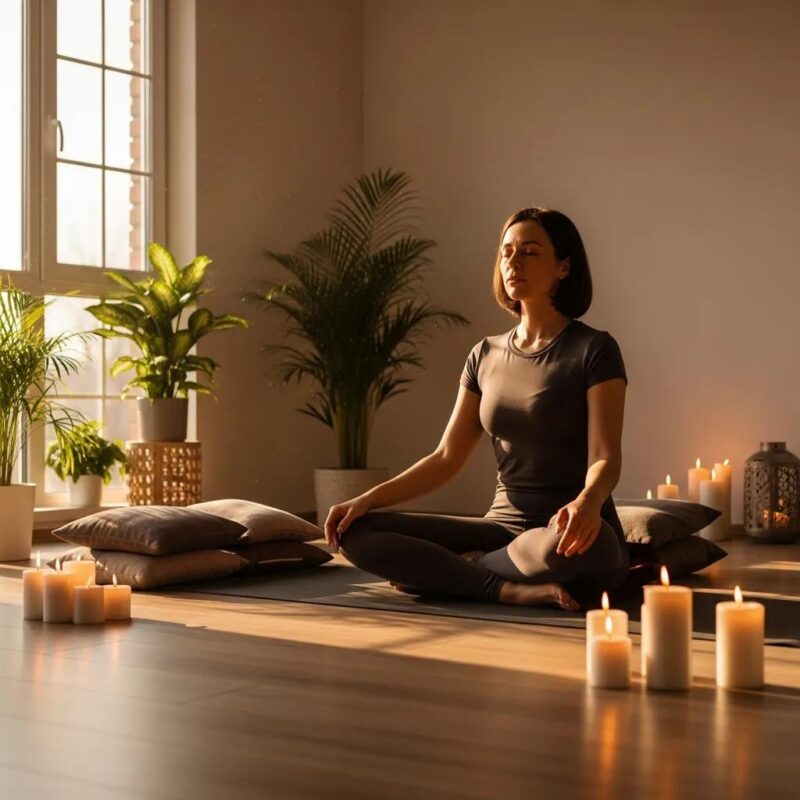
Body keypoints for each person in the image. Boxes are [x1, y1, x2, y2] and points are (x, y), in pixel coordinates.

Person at [324, 207, 629, 611]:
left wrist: (587, 502)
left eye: (530, 252)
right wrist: (367, 500)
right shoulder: (484, 354)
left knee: (584, 547)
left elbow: (604, 455)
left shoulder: (595, 350)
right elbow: (446, 457)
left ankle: (458, 573)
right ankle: (502, 587)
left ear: (563, 267)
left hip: (565, 533)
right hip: (499, 530)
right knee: (355, 532)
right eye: (506, 252)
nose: (513, 262)